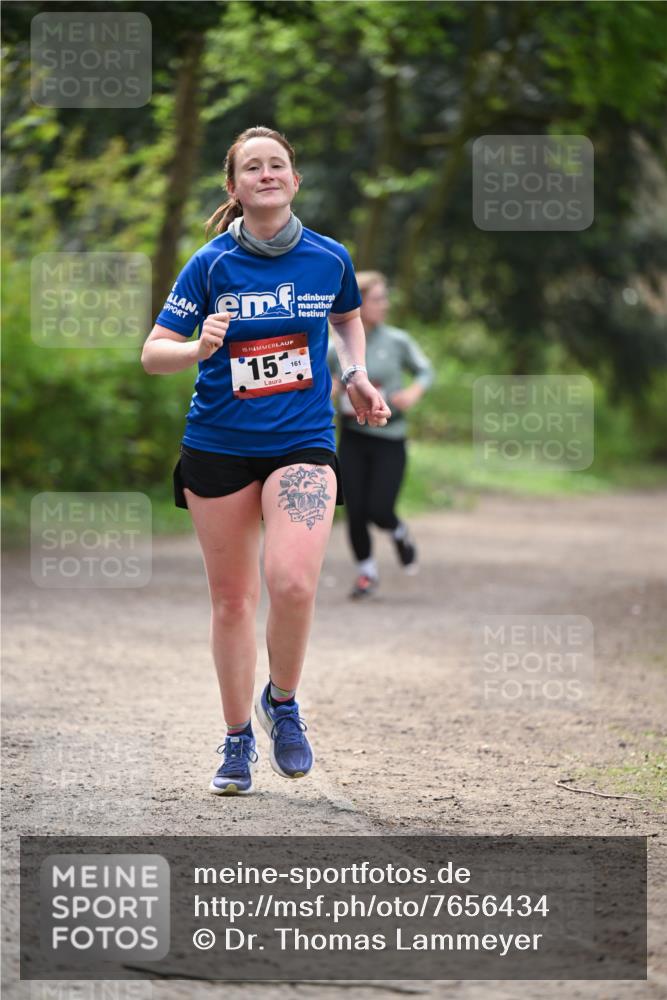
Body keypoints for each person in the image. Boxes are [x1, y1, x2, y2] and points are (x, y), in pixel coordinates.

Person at [141, 127, 390, 795]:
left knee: (294, 583)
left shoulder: (329, 258)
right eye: (252, 167)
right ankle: (234, 741)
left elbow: (346, 320)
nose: (267, 173)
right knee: (231, 602)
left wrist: (355, 375)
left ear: (294, 179)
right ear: (234, 187)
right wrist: (197, 349)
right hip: (217, 445)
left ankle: (281, 702)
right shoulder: (210, 265)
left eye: (277, 163)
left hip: (301, 440)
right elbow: (152, 351)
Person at [328, 271, 433, 599]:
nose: (384, 305)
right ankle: (366, 573)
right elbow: (326, 380)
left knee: (379, 508)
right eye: (378, 298)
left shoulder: (397, 340)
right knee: (355, 509)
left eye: (385, 298)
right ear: (359, 302)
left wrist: (414, 392)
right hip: (354, 438)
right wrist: (330, 391)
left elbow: (426, 371)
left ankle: (399, 532)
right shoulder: (337, 346)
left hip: (390, 437)